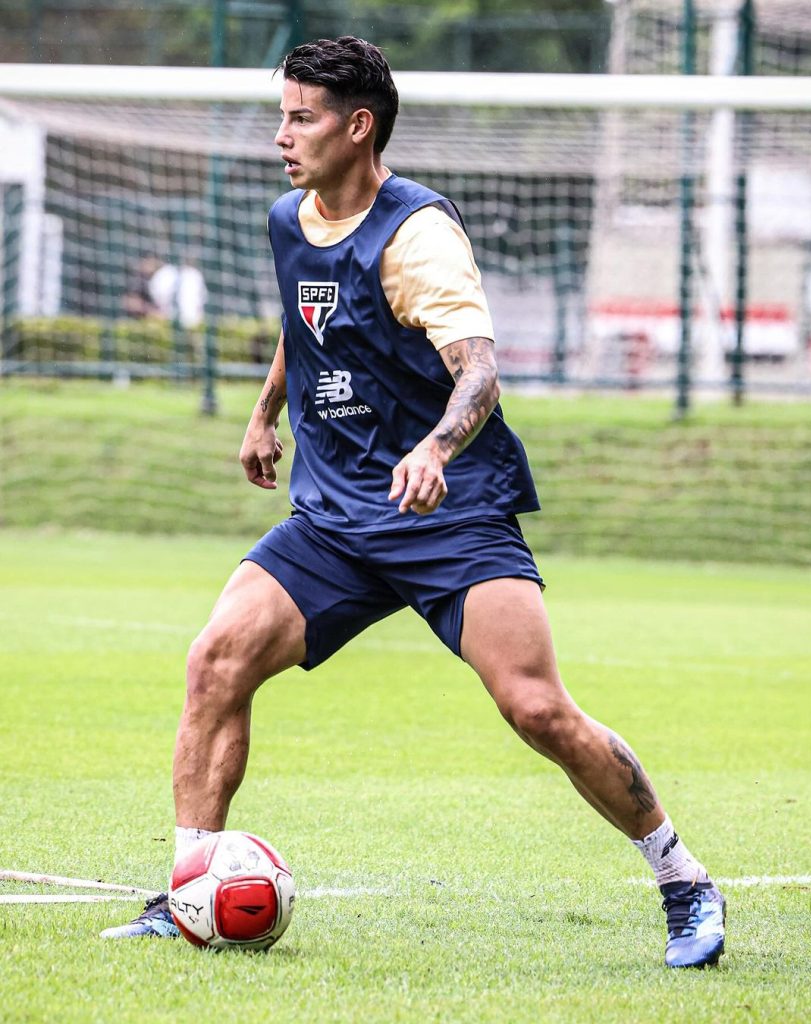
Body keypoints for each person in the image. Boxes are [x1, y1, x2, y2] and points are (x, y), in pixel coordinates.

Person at [101, 36, 726, 969]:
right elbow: (302, 314)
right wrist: (264, 412)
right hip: (336, 517)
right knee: (215, 661)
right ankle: (189, 888)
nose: (281, 134)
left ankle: (683, 881)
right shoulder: (289, 218)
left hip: (449, 513)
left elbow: (479, 375)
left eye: (301, 117)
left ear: (358, 127)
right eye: (282, 113)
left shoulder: (419, 236)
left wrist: (434, 448)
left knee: (536, 709)